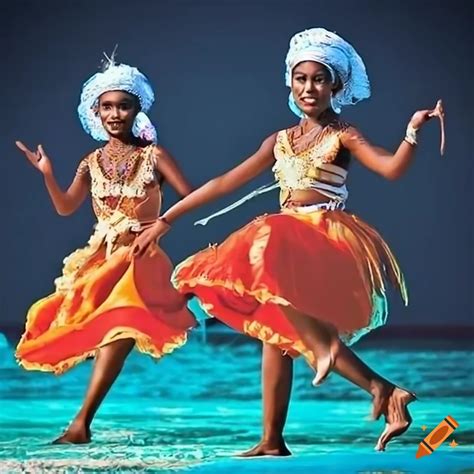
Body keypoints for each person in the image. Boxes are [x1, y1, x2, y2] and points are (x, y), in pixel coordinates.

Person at [131, 28, 445, 452]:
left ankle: (366, 379)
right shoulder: (279, 140)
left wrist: (411, 133)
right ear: (290, 83)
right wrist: (165, 219)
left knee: (270, 252)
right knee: (272, 334)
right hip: (287, 234)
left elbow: (390, 170)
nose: (309, 88)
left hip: (322, 238)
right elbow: (224, 182)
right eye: (300, 79)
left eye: (318, 78)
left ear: (336, 84)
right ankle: (273, 439)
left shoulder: (343, 135)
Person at [15, 54, 196, 444]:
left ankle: (81, 424)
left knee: (121, 326)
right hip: (101, 259)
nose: (115, 113)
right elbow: (66, 208)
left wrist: (162, 225)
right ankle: (81, 424)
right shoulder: (89, 163)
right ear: (95, 111)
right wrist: (47, 174)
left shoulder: (155, 156)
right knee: (85, 325)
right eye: (108, 106)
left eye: (124, 105)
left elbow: (190, 197)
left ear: (137, 109)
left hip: (141, 257)